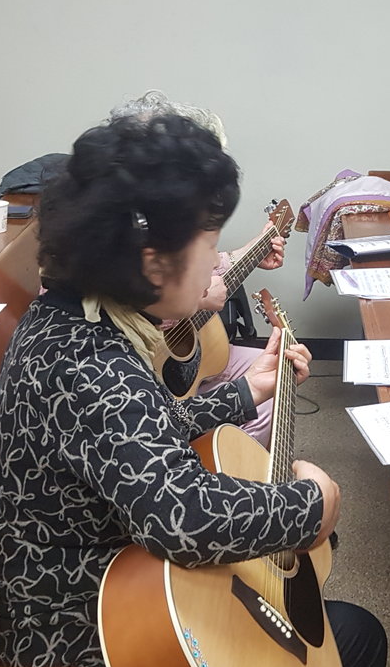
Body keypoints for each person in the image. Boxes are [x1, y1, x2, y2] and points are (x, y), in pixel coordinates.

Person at [0, 114, 386, 667]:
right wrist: (315, 504)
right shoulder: (91, 362)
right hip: (84, 633)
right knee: (357, 638)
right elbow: (184, 520)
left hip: (114, 578)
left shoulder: (73, 319)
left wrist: (245, 392)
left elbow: (138, 433)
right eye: (209, 244)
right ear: (153, 263)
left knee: (341, 632)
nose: (217, 264)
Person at [110, 90, 290, 446]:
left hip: (177, 377)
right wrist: (195, 300)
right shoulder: (98, 356)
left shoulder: (148, 237)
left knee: (271, 380)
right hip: (153, 387)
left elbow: (200, 265)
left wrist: (250, 253)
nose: (212, 258)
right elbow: (144, 432)